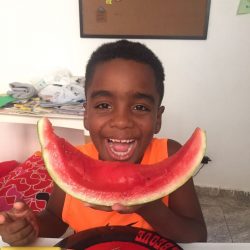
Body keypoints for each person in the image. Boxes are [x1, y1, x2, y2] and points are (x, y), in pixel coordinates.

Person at [0, 40, 207, 246]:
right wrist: (30, 226)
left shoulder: (169, 154)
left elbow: (197, 236)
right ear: (86, 115)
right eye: (104, 105)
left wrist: (149, 206)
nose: (121, 121)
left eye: (141, 107)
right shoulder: (74, 164)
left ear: (158, 119)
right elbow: (55, 220)